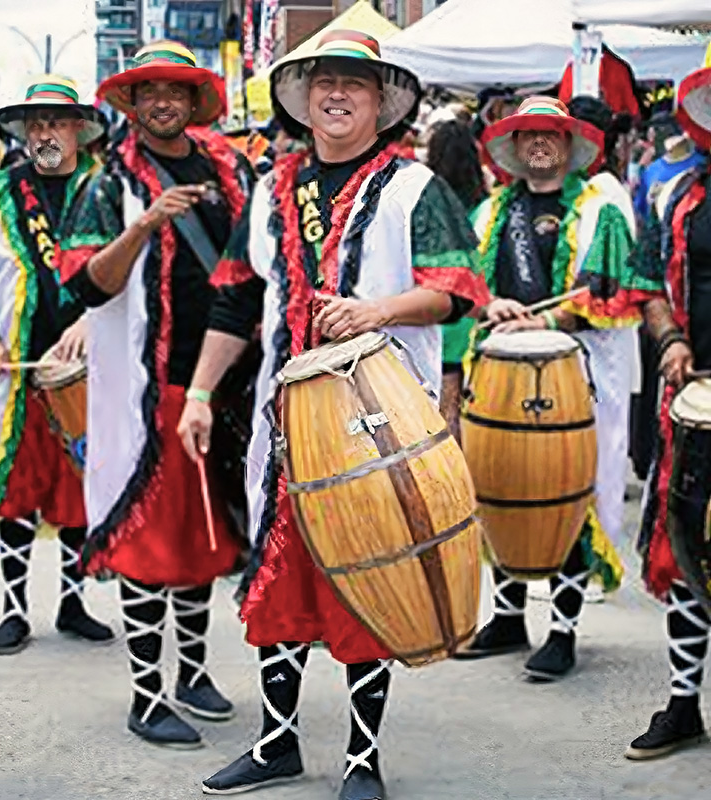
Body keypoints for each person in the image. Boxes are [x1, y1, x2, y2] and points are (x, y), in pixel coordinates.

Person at [177, 29, 490, 800]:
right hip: (284, 418)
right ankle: (278, 743)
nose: (338, 94)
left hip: (379, 417)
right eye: (324, 82)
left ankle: (360, 760)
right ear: (303, 98)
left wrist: (376, 309)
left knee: (367, 571)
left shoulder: (417, 188)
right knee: (279, 578)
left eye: (355, 83)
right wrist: (198, 392)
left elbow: (457, 288)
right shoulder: (271, 186)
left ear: (382, 103)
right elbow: (237, 299)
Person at [57, 41, 253, 748]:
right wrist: (144, 225)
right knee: (148, 538)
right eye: (150, 93)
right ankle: (147, 695)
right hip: (152, 389)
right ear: (132, 107)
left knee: (206, 535)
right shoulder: (104, 186)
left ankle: (194, 673)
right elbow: (83, 285)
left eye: (177, 91)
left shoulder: (230, 171)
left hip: (227, 382)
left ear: (194, 103)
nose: (164, 102)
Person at [454, 96, 640, 680]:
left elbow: (611, 295)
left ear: (569, 146)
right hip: (498, 375)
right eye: (529, 135)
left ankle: (562, 629)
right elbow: (462, 287)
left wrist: (550, 321)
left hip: (572, 378)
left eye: (551, 136)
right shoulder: (488, 216)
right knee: (502, 486)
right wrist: (489, 304)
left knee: (567, 493)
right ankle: (509, 618)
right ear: (512, 148)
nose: (540, 144)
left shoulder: (598, 213)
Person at [0, 76, 113, 656]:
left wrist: (94, 319)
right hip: (15, 374)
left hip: (89, 372)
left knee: (78, 493)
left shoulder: (104, 188)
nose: (45, 132)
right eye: (36, 123)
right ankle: (14, 608)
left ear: (78, 130)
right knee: (16, 490)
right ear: (24, 131)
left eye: (57, 121)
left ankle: (72, 602)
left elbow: (129, 276)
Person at [626, 54, 711, 760]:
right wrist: (671, 337)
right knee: (686, 553)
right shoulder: (680, 194)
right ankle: (684, 705)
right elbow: (649, 283)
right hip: (695, 401)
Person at [426, 119, 487, 441]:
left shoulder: (427, 206)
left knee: (440, 415)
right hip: (475, 322)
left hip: (437, 319)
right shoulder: (488, 209)